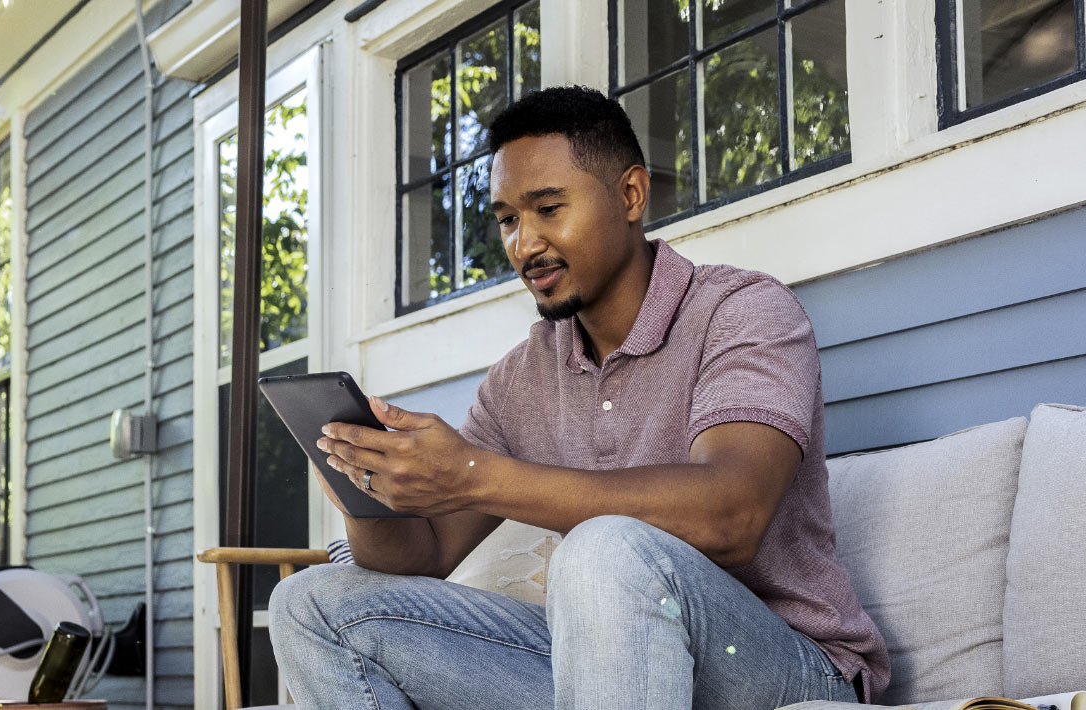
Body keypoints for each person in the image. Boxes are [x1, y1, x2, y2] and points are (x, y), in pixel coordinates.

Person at [269, 86, 889, 710]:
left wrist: (470, 473)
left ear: (630, 196)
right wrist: (364, 486)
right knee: (311, 602)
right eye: (509, 219)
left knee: (604, 546)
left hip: (775, 661)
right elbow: (424, 555)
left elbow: (731, 516)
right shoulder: (523, 377)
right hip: (611, 660)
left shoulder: (741, 312)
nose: (524, 244)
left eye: (548, 208)